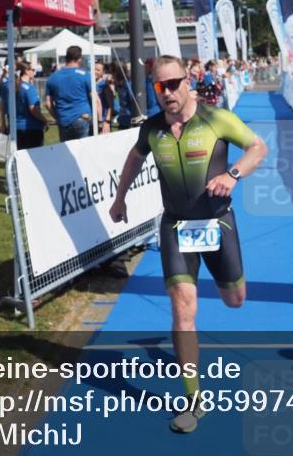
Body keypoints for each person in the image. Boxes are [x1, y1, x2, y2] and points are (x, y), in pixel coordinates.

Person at [109, 55, 267, 433]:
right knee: (183, 309)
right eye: (159, 86)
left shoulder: (216, 118)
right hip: (176, 226)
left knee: (235, 299)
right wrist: (119, 198)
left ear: (189, 81)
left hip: (217, 224)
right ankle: (194, 401)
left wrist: (233, 174)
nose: (167, 93)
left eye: (173, 83)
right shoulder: (152, 130)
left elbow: (258, 148)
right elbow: (134, 158)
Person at [45, 46, 96, 142]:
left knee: (67, 154)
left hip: (64, 120)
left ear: (66, 58)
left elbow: (47, 103)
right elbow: (94, 98)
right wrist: (98, 119)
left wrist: (58, 117)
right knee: (84, 153)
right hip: (82, 118)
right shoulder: (85, 75)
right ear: (79, 59)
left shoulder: (53, 77)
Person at [5, 61, 50, 149]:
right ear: (26, 71)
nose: (34, 72)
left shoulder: (14, 87)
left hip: (17, 127)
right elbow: (33, 109)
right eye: (33, 70)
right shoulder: (29, 88)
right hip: (31, 128)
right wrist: (45, 120)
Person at [94, 61, 114, 133]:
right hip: (93, 121)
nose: (95, 71)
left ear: (103, 72)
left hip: (103, 121)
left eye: (98, 70)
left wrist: (107, 122)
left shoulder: (105, 86)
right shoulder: (90, 84)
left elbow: (110, 105)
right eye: (94, 69)